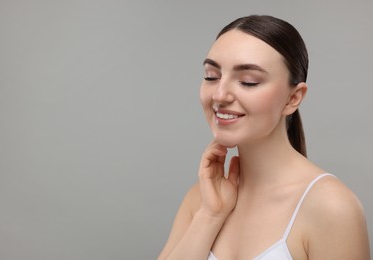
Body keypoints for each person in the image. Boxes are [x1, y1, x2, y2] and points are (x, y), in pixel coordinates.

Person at [158, 15, 370, 260]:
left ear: (293, 98)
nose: (220, 94)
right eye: (211, 76)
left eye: (248, 81)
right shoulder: (202, 200)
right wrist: (210, 215)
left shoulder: (332, 207)